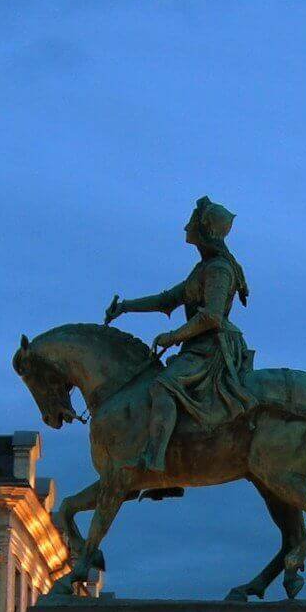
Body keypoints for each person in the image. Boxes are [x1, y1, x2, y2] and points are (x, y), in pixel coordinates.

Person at [105, 196, 260, 477]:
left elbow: (212, 316)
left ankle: (154, 459)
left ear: (205, 230)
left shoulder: (218, 269)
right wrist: (126, 307)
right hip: (198, 343)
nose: (186, 228)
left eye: (191, 223)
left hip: (213, 346)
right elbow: (166, 299)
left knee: (164, 386)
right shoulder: (203, 268)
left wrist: (174, 336)